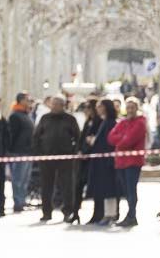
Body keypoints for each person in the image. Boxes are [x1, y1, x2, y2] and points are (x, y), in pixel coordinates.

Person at [31, 95, 81, 223]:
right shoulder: (45, 118)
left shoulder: (70, 119)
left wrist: (73, 153)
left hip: (65, 158)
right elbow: (37, 136)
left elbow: (77, 137)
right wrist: (39, 154)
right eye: (53, 104)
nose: (54, 106)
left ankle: (68, 211)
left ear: (62, 106)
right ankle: (46, 212)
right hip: (47, 157)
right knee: (46, 186)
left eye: (57, 104)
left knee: (67, 186)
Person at [107, 96, 146, 228]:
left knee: (131, 190)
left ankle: (132, 216)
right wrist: (122, 138)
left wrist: (121, 139)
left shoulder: (140, 122)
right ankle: (129, 215)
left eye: (132, 107)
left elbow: (128, 141)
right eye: (128, 107)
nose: (130, 110)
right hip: (121, 162)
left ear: (137, 108)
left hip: (133, 162)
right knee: (125, 189)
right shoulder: (122, 122)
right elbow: (111, 137)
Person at [84, 99, 118, 226]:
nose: (97, 109)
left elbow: (106, 142)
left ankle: (111, 214)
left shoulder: (109, 123)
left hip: (106, 161)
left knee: (109, 188)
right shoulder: (104, 122)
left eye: (100, 107)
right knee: (105, 188)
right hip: (101, 161)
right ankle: (107, 214)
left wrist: (93, 141)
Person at [6, 92, 34, 212]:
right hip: (18, 152)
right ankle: (18, 202)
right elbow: (12, 135)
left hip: (28, 152)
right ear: (21, 100)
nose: (29, 101)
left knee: (25, 180)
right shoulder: (15, 116)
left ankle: (22, 200)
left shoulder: (27, 115)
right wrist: (10, 150)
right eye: (27, 99)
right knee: (18, 179)